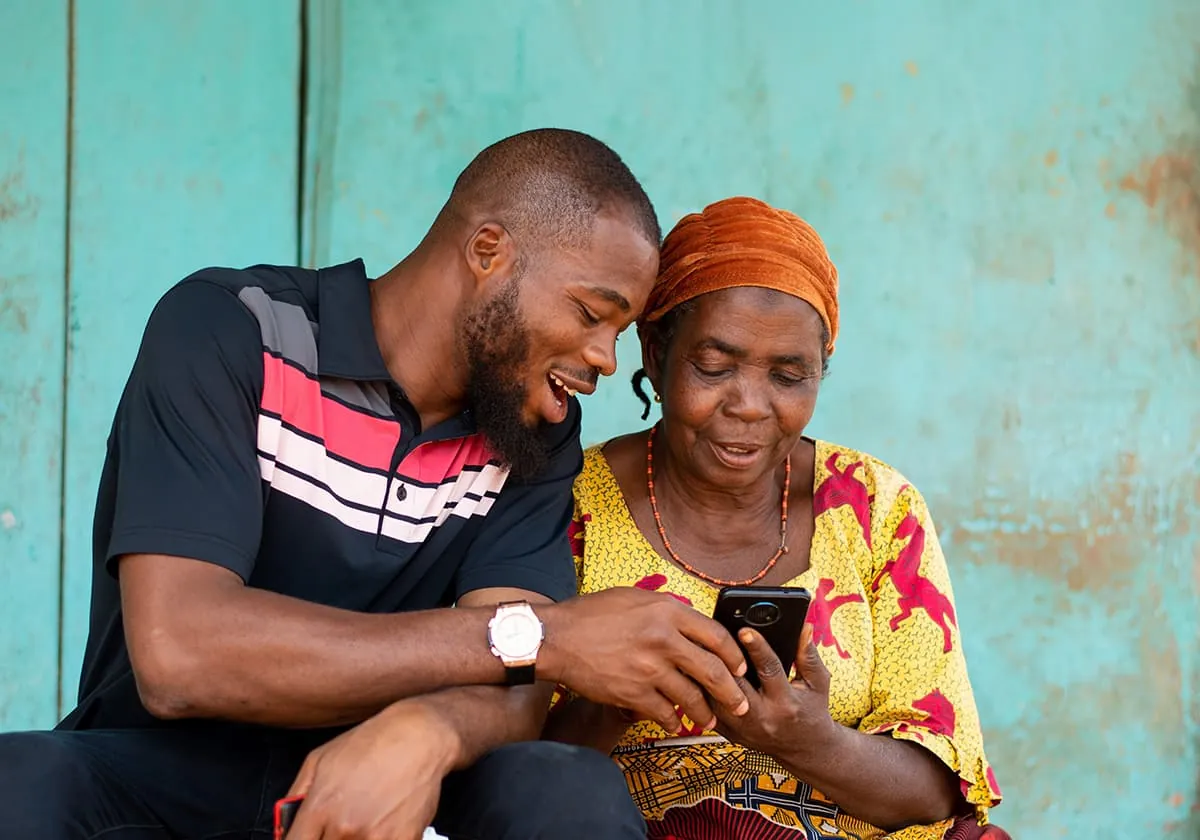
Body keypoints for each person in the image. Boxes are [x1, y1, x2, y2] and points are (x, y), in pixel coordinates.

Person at [0, 130, 759, 840]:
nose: (602, 357)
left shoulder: (531, 429)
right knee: (22, 780)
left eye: (619, 333)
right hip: (171, 772)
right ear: (488, 251)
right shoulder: (233, 331)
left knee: (565, 790)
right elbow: (180, 655)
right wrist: (546, 635)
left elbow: (519, 687)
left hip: (396, 781)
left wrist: (425, 733)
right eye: (593, 313)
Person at [545, 197, 1006, 840]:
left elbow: (936, 790)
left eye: (789, 377)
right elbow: (516, 779)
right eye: (714, 367)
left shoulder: (875, 507)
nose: (751, 407)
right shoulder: (566, 503)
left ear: (822, 373)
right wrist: (621, 697)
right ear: (655, 351)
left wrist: (806, 740)